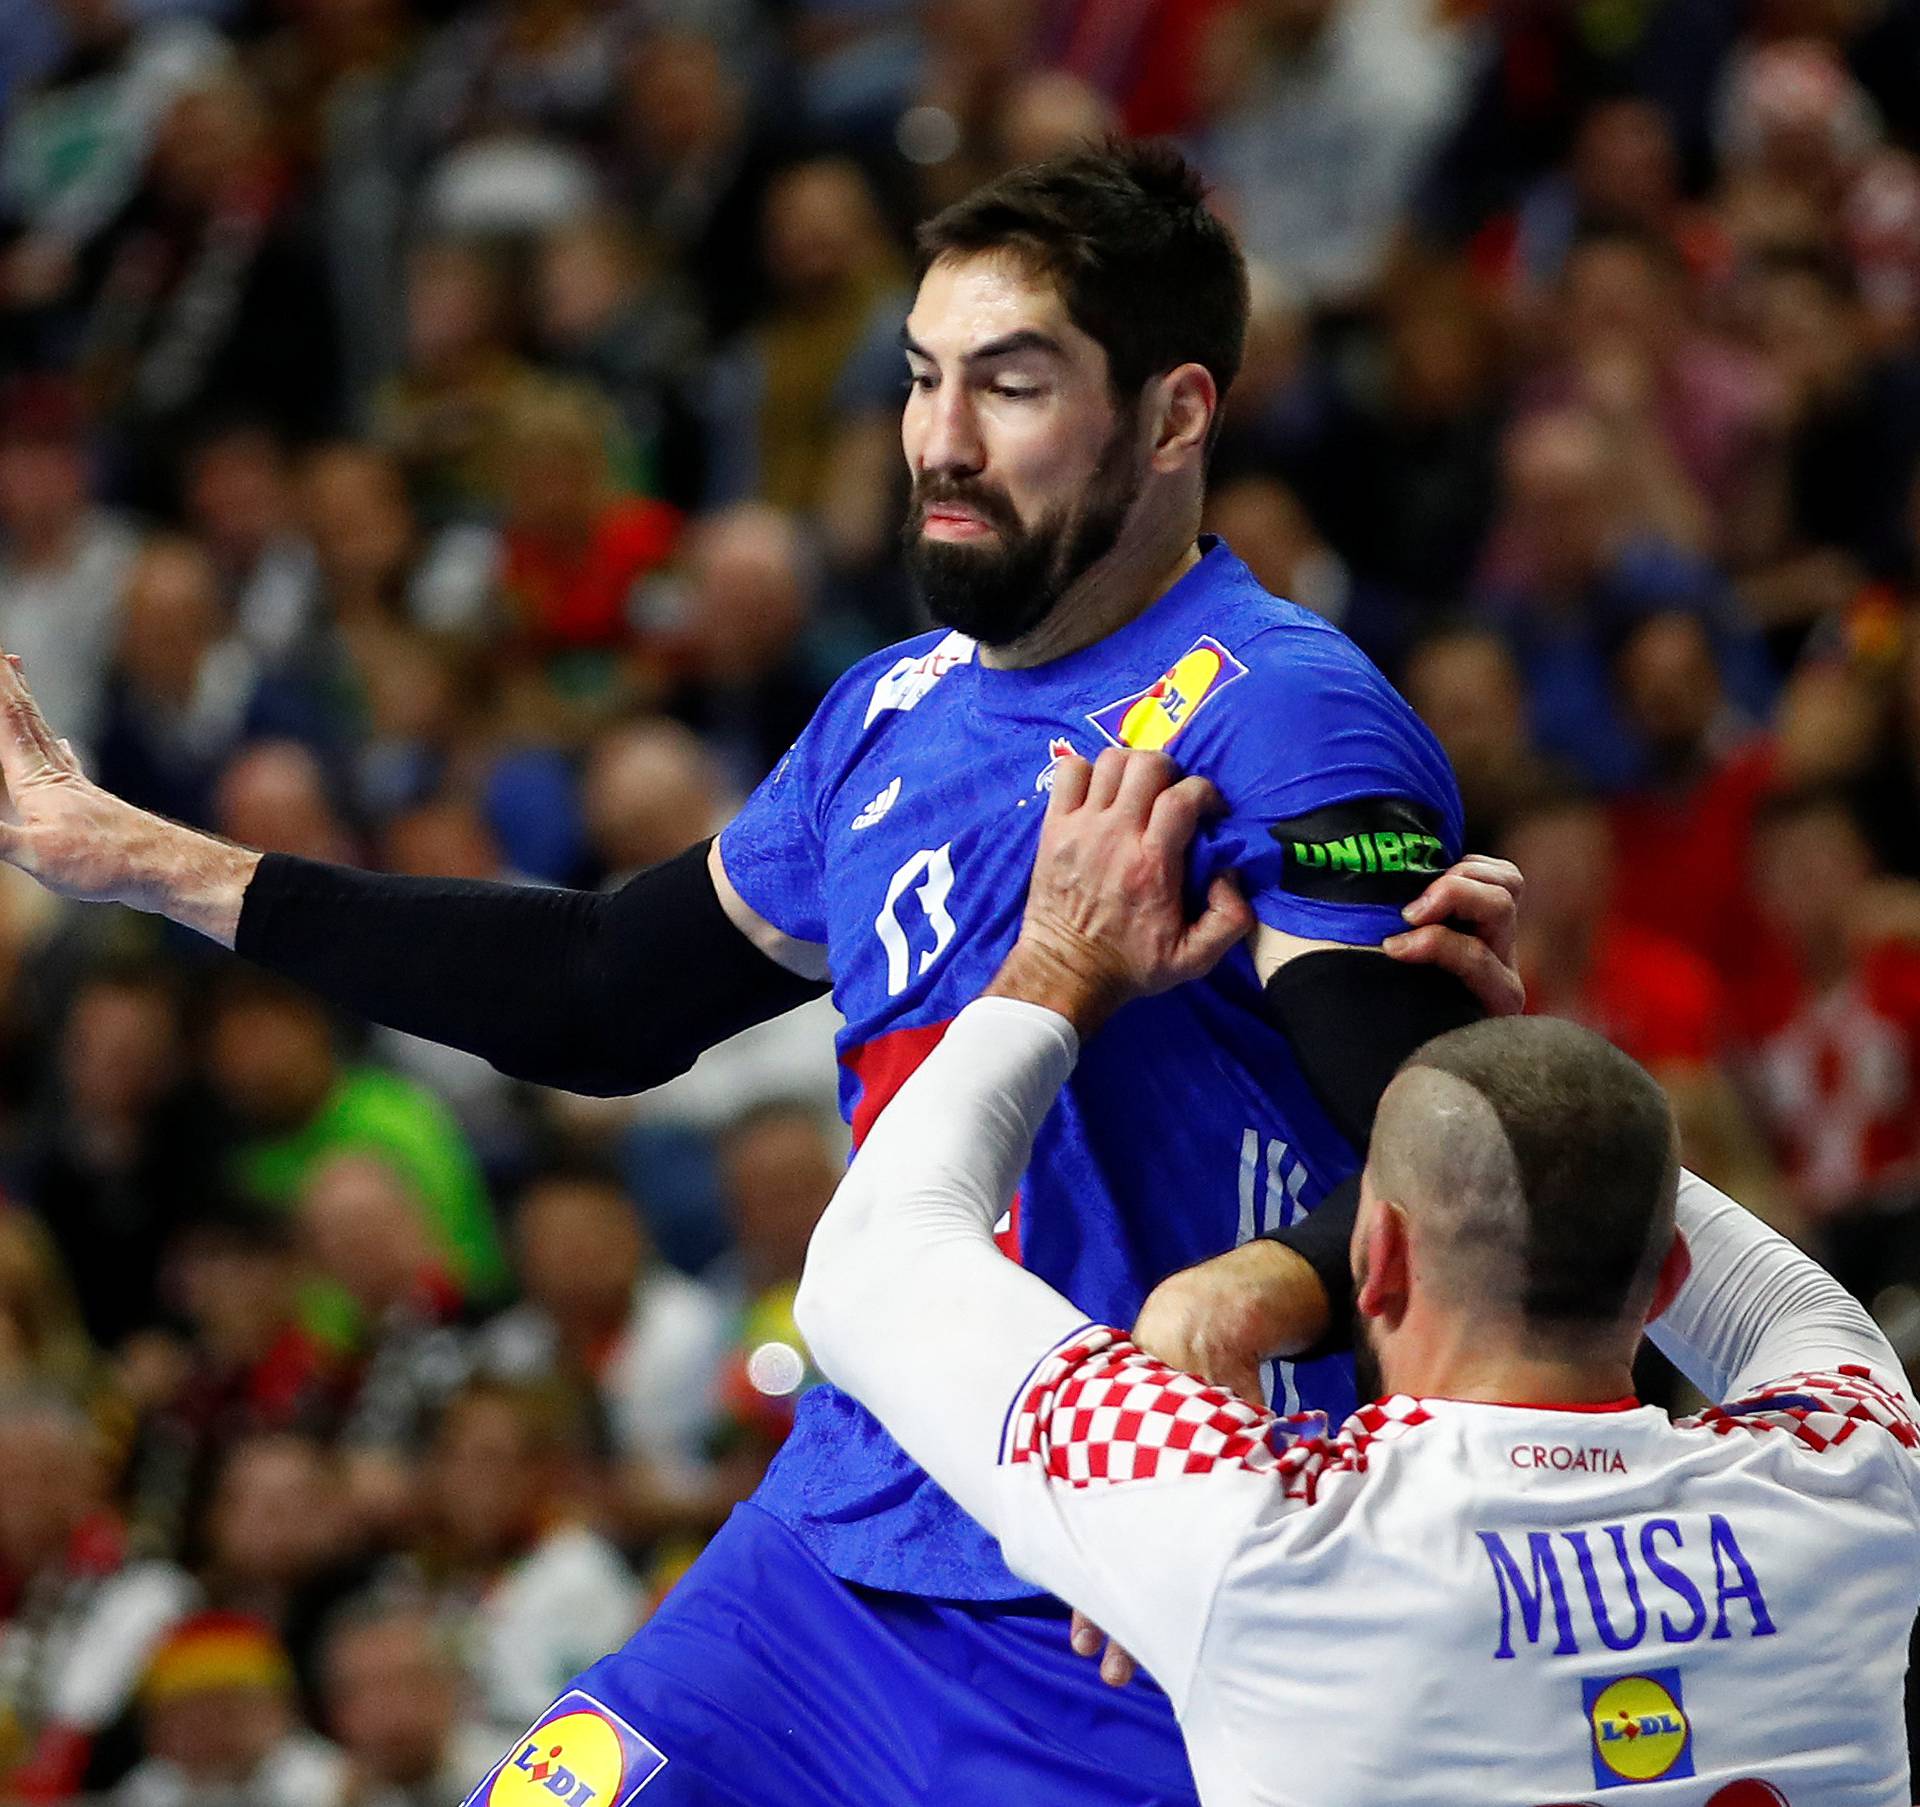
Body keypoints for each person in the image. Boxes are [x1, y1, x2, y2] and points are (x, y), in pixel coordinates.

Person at [0, 144, 1523, 1806]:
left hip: (1123, 1593)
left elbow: (1451, 1158)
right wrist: (143, 857)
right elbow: (600, 992)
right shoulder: (891, 709)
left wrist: (1256, 1293)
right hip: (829, 1548)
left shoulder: (1285, 712)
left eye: (1012, 388)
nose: (939, 441)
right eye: (924, 379)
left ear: (1174, 418)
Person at [793, 747, 1920, 1805]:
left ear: (1373, 1262)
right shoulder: (1849, 1474)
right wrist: (1504, 1055)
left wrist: (1056, 961)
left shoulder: (1255, 1526)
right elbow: (1784, 1302)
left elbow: (868, 1262)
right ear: (1664, 1272)